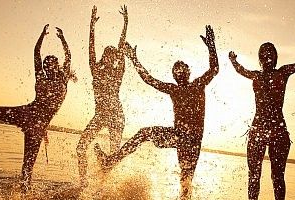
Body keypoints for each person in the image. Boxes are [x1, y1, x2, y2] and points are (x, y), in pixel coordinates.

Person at [94, 25, 219, 199]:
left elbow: (214, 69)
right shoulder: (174, 89)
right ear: (174, 76)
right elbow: (149, 80)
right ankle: (110, 161)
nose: (179, 72)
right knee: (144, 133)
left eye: (182, 68)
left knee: (186, 180)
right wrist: (134, 59)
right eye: (176, 70)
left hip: (191, 140)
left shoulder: (197, 85)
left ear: (188, 72)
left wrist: (212, 48)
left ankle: (110, 161)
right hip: (179, 135)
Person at [0, 24, 76, 192]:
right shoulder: (40, 75)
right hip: (28, 113)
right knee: (0, 112)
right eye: (45, 64)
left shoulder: (63, 79)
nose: (47, 67)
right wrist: (42, 35)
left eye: (51, 64)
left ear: (57, 65)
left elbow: (69, 56)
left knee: (28, 164)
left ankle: (25, 192)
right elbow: (36, 53)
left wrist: (63, 39)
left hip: (38, 125)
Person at [229, 39, 295, 200]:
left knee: (277, 178)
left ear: (276, 57)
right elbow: (240, 70)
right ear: (260, 58)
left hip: (278, 132)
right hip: (258, 131)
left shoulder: (282, 72)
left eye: (271, 53)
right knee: (254, 177)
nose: (268, 56)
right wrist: (233, 61)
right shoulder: (256, 75)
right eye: (264, 53)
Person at [76, 5, 128, 187]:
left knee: (114, 154)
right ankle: (83, 184)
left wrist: (125, 23)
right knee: (81, 147)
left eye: (113, 56)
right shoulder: (96, 71)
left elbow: (121, 48)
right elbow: (91, 49)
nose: (110, 58)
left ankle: (105, 186)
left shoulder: (118, 72)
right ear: (103, 56)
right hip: (100, 116)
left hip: (116, 117)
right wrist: (91, 26)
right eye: (107, 54)